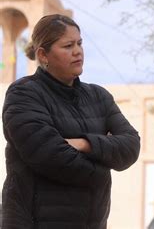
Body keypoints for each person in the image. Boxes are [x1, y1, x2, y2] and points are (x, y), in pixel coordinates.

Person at [2, 14, 141, 229]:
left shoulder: (99, 97)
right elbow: (51, 157)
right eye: (67, 45)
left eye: (79, 43)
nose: (77, 51)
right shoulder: (24, 94)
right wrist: (105, 164)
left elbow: (131, 146)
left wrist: (86, 143)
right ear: (43, 55)